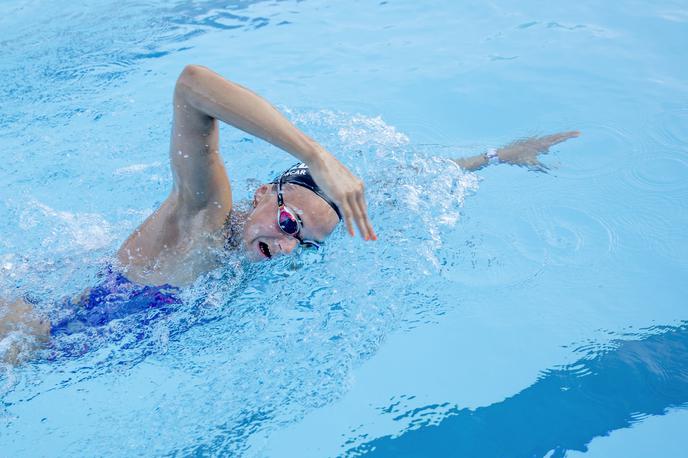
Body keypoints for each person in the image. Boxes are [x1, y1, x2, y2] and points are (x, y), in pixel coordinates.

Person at [0, 65, 579, 363]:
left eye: (303, 245)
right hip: (30, 330)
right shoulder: (205, 216)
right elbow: (192, 86)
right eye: (286, 226)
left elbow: (399, 190)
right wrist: (314, 154)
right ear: (260, 195)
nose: (285, 248)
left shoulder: (243, 252)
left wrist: (497, 156)